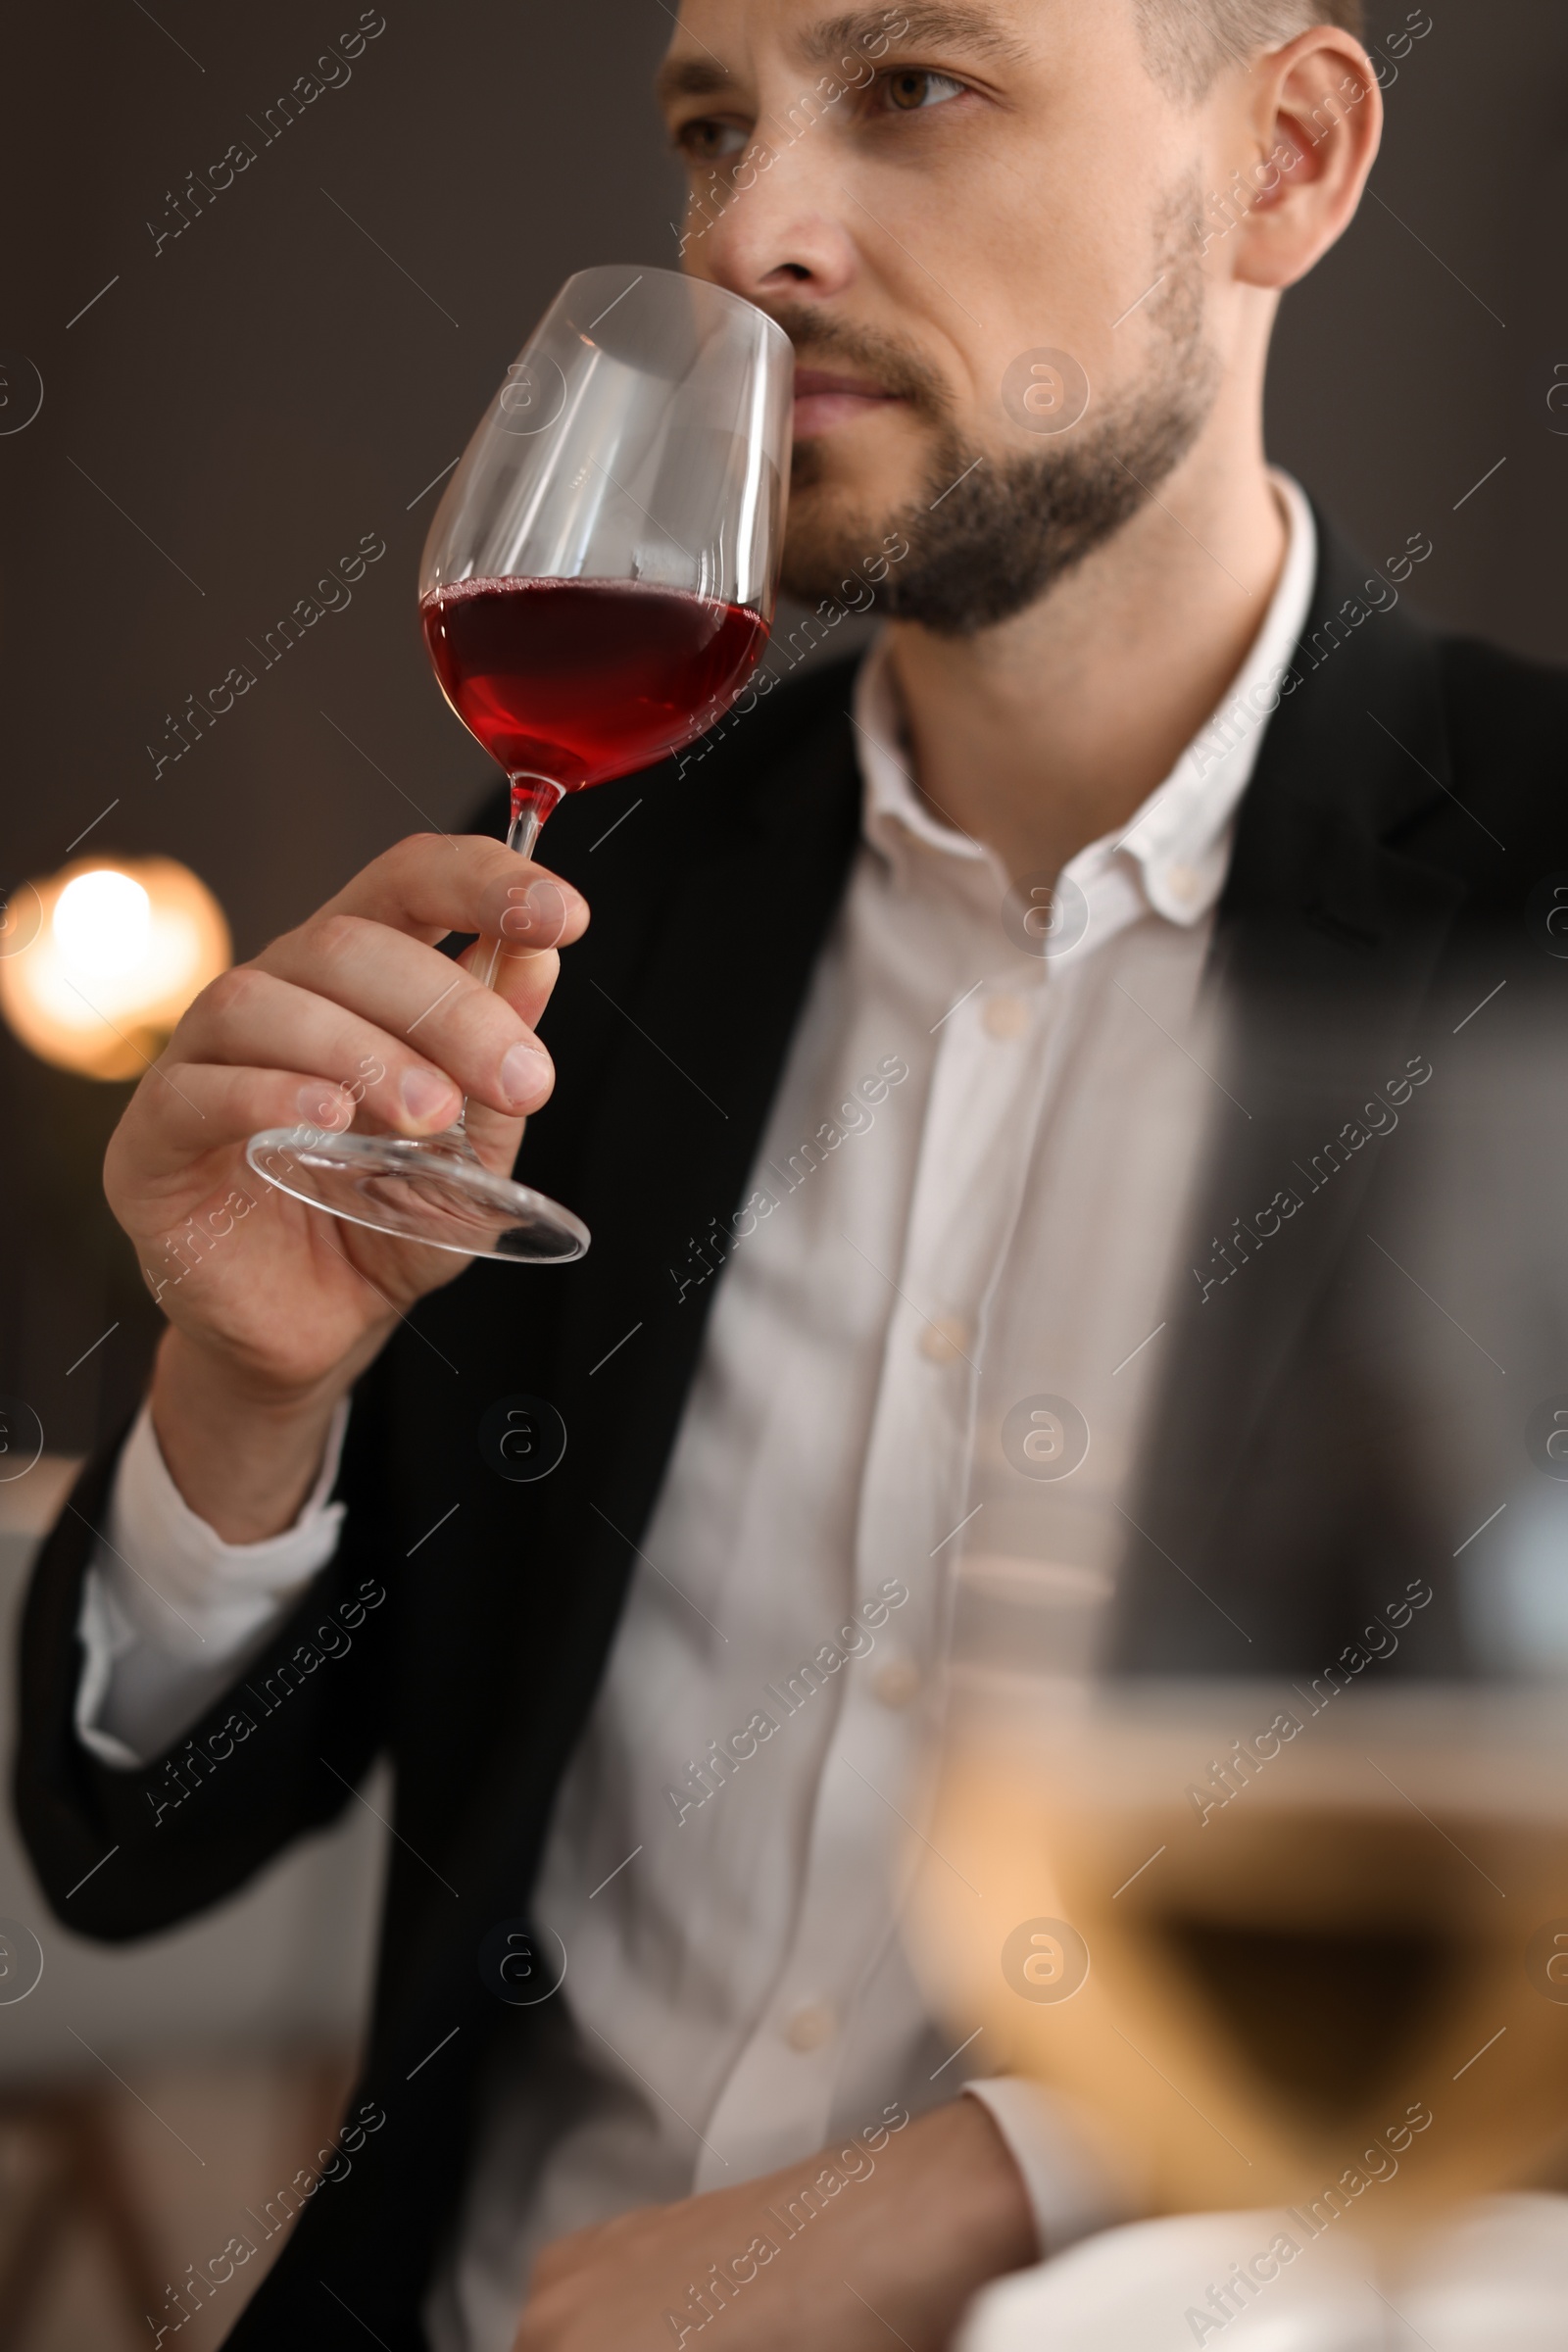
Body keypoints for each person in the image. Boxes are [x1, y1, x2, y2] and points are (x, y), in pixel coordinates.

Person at [17, 1, 1563, 2345]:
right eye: (708, 128)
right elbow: (144, 1851)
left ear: (1284, 159)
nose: (747, 232)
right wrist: (245, 1398)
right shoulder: (575, 901)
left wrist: (988, 2185)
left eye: (912, 86)